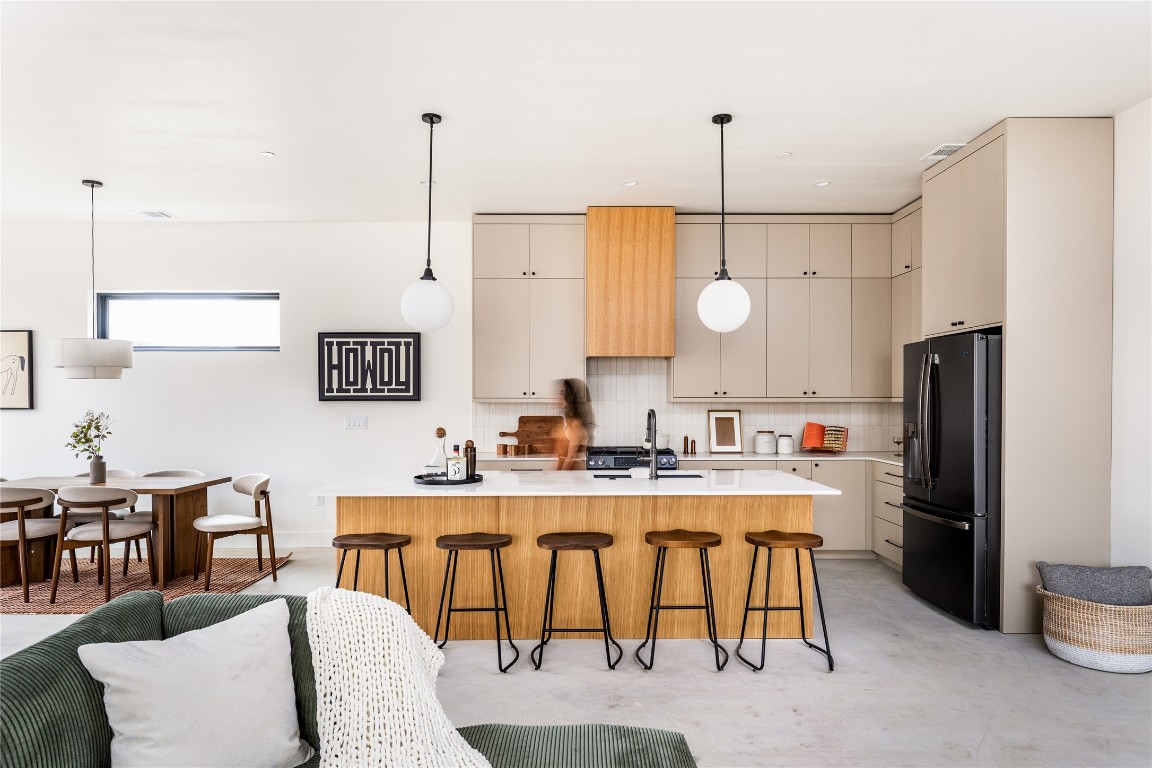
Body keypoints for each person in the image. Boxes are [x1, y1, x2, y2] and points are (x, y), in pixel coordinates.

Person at [554, 378, 596, 470]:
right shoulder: (574, 421)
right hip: (572, 476)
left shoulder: (577, 423)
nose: (559, 398)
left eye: (562, 393)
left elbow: (571, 457)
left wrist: (559, 476)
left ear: (571, 396)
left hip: (573, 477)